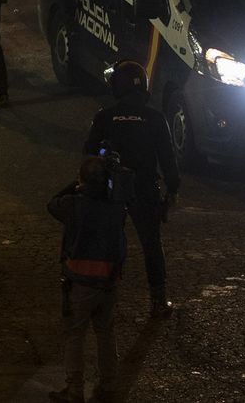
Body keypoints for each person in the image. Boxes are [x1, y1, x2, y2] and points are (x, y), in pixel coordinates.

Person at [82, 60, 179, 317]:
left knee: (107, 244)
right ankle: (158, 301)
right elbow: (168, 158)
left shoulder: (104, 117)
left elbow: (89, 153)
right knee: (151, 245)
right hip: (145, 189)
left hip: (112, 190)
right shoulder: (156, 118)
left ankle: (101, 299)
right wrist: (173, 189)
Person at [47, 155, 131, 403]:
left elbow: (52, 204)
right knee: (106, 333)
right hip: (108, 282)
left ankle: (74, 390)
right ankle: (108, 385)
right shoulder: (117, 208)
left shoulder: (74, 205)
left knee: (75, 336)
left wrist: (75, 184)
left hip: (81, 283)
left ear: (83, 181)